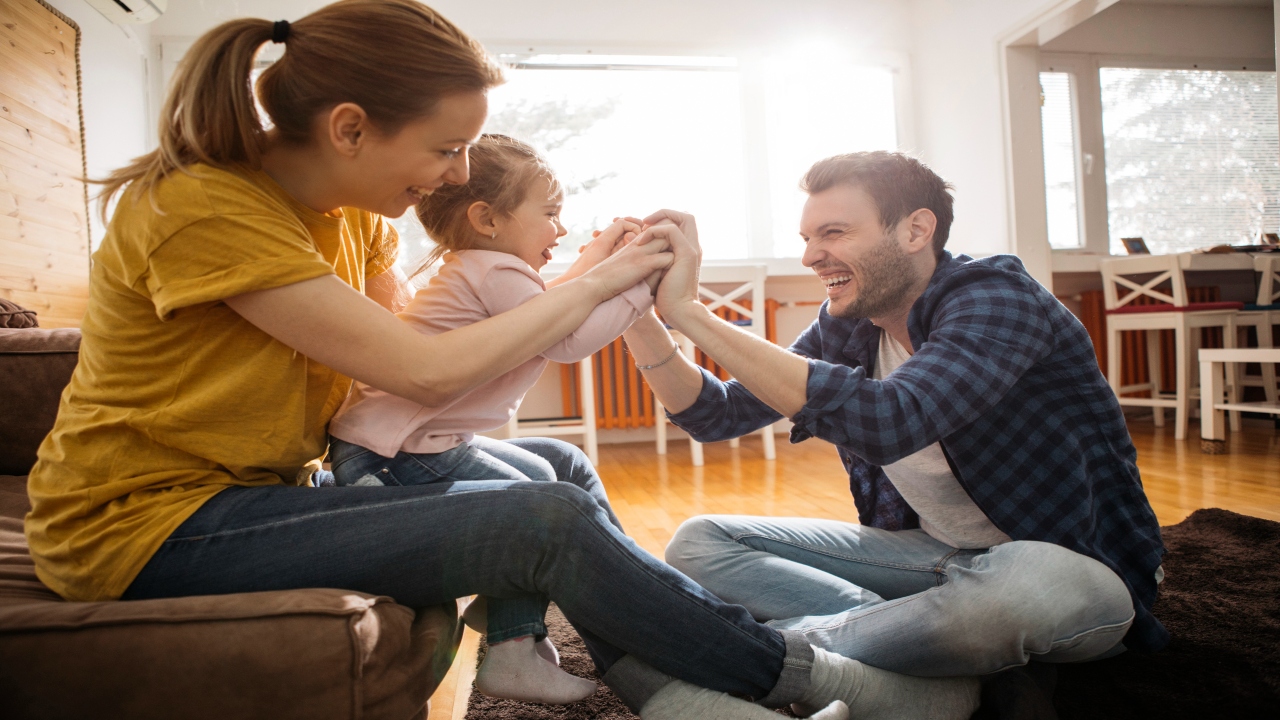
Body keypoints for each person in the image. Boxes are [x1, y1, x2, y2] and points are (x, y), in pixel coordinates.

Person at [22, 3, 975, 718]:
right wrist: (607, 281)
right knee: (545, 520)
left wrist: (591, 275)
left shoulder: (352, 216)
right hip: (144, 528)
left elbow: (406, 357)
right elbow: (423, 372)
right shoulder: (202, 206)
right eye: (447, 148)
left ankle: (652, 677)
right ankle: (804, 677)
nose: (455, 174)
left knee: (558, 464)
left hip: (256, 493)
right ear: (350, 128)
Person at [623, 151, 1168, 684]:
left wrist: (689, 313)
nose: (811, 257)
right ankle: (891, 640)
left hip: (1067, 567)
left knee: (1026, 589)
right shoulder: (849, 324)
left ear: (915, 231)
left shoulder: (998, 298)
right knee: (699, 542)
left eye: (833, 233)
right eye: (807, 238)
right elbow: (715, 414)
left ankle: (779, 652)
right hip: (935, 560)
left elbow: (893, 421)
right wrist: (635, 310)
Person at [327, 133, 656, 704]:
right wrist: (643, 289)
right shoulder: (497, 272)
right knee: (536, 507)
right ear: (487, 219)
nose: (560, 229)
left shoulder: (485, 266)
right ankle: (511, 652)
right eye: (550, 213)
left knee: (543, 474)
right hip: (393, 455)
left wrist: (606, 253)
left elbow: (558, 301)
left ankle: (507, 612)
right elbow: (567, 337)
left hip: (393, 445)